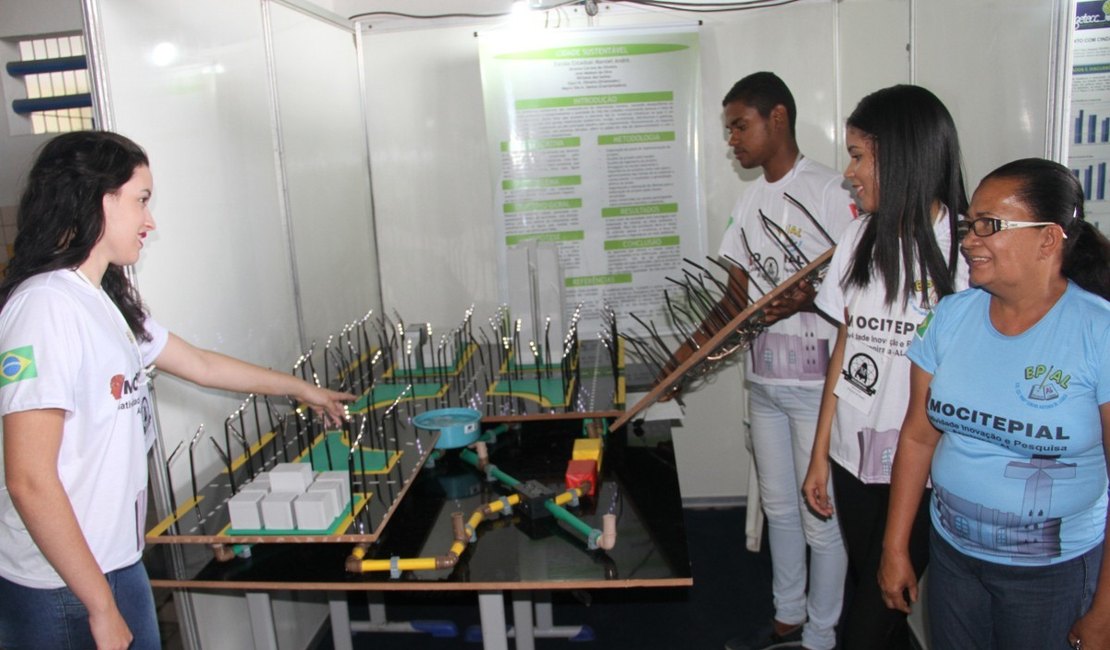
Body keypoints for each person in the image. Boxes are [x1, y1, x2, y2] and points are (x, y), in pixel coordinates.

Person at [0, 131, 355, 650]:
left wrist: (303, 390)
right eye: (141, 200)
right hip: (61, 585)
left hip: (113, 562)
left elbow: (203, 365)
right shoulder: (45, 309)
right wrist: (100, 607)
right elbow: (29, 479)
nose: (150, 221)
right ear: (94, 197)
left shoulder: (105, 301)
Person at [879, 158, 1110, 650]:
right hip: (954, 557)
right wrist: (895, 546)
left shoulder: (1099, 332)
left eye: (988, 226)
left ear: (1049, 239)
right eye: (968, 225)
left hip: (1053, 573)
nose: (967, 240)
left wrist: (1106, 611)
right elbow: (919, 436)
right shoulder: (950, 316)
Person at [661, 71, 857, 650]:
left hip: (818, 387)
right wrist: (683, 359)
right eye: (728, 130)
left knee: (821, 516)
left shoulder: (830, 192)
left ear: (778, 119)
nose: (732, 141)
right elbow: (734, 300)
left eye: (739, 126)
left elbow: (857, 297)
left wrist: (813, 300)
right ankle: (787, 616)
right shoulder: (749, 201)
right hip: (764, 381)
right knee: (779, 506)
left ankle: (822, 636)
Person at [800, 84, 968, 649]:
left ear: (901, 156)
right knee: (878, 606)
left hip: (921, 471)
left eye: (858, 155)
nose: (849, 172)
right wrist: (820, 453)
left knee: (867, 627)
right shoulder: (858, 238)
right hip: (853, 460)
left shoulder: (966, 250)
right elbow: (844, 351)